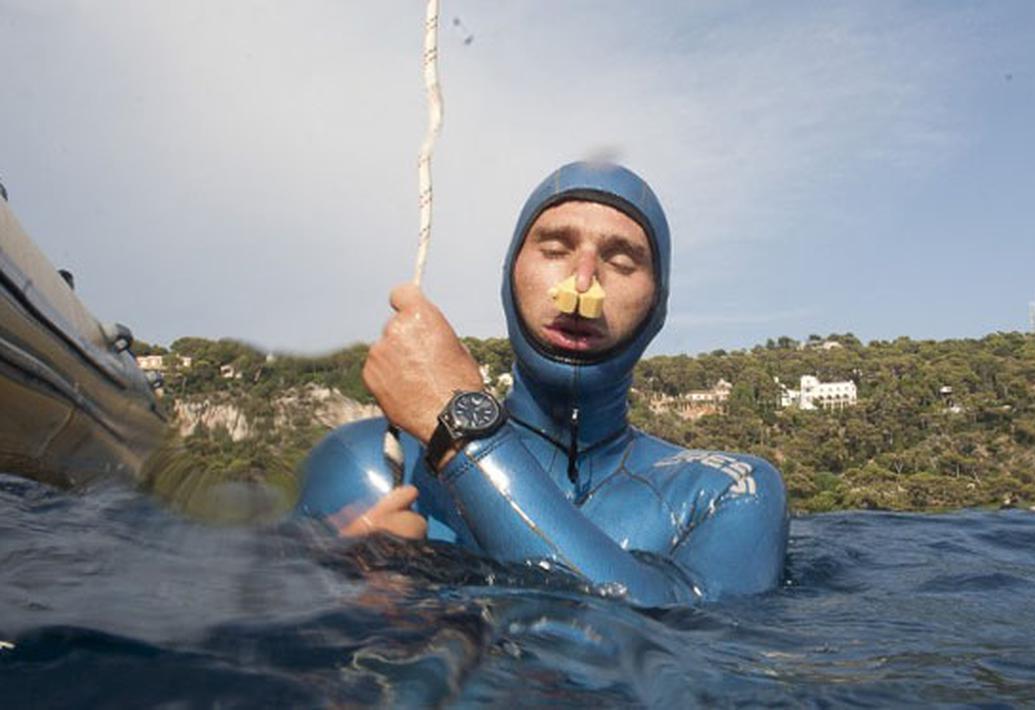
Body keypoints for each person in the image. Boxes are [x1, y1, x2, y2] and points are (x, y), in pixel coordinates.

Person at [297, 161, 787, 606]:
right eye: (554, 250)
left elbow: (678, 631)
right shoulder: (370, 465)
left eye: (622, 262)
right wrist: (338, 594)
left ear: (657, 304)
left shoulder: (729, 491)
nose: (582, 286)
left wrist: (464, 427)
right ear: (509, 274)